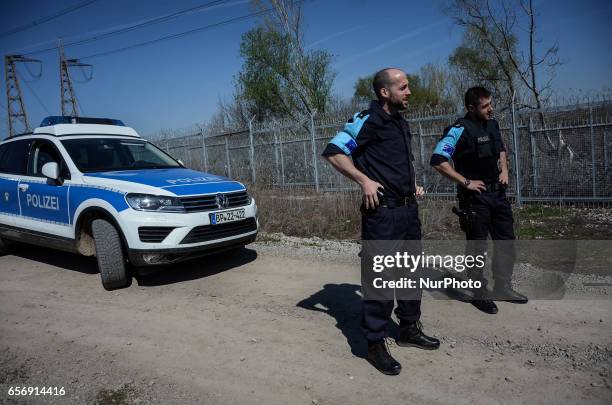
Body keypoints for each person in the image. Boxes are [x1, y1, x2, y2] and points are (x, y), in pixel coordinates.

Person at [322, 68, 440, 376]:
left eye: (408, 86)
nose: (409, 91)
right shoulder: (367, 119)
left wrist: (410, 185)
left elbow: (393, 163)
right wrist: (364, 181)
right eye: (403, 87)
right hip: (383, 215)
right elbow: (334, 152)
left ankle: (409, 328)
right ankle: (373, 344)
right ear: (384, 92)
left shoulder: (400, 121)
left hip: (407, 210)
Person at [430, 86, 528, 314]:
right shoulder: (458, 130)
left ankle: (503, 287)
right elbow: (437, 160)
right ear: (471, 108)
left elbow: (501, 149)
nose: (490, 109)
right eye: (485, 106)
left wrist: (504, 170)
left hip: (498, 194)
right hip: (476, 199)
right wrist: (465, 182)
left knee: (506, 242)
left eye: (490, 104)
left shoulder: (492, 124)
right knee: (477, 247)